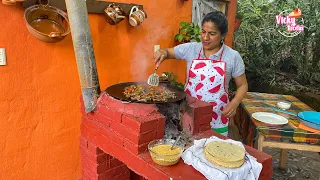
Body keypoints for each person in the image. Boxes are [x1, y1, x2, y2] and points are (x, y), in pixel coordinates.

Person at [153, 11, 248, 136]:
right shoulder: (191, 49)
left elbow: (242, 85)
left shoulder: (232, 57)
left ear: (223, 35)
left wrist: (234, 103)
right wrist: (162, 53)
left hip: (217, 117)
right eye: (203, 32)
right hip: (189, 113)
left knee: (213, 151)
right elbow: (167, 52)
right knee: (187, 146)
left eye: (212, 34)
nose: (205, 37)